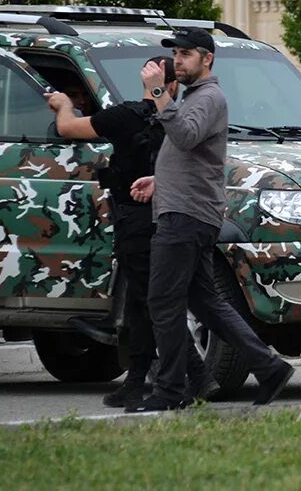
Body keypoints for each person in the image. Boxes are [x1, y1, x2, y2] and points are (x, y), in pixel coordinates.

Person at [128, 27, 294, 412]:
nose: (177, 61)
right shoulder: (194, 98)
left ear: (208, 58)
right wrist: (160, 179)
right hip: (187, 211)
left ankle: (170, 390)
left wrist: (157, 93)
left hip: (185, 219)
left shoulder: (208, 97)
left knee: (162, 302)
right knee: (207, 304)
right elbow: (193, 154)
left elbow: (185, 137)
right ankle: (269, 368)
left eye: (186, 54)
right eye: (176, 54)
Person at [46, 57, 219, 409]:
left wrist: (64, 104)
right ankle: (139, 379)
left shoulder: (124, 116)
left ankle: (199, 376)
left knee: (154, 304)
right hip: (176, 220)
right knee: (146, 304)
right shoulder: (183, 122)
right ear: (173, 86)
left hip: (137, 223)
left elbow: (67, 129)